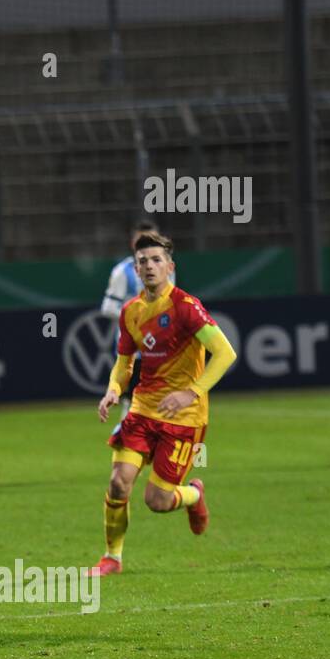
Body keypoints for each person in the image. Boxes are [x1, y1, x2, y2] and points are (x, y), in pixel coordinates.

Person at [91, 231, 237, 576]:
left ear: (170, 267)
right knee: (117, 482)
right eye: (143, 261)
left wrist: (192, 391)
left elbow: (225, 353)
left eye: (156, 260)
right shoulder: (131, 311)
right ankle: (112, 558)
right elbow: (124, 363)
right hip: (142, 410)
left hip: (183, 417)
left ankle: (194, 496)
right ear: (136, 270)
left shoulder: (186, 308)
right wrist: (113, 389)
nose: (149, 266)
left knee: (157, 502)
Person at [100, 221, 172, 423]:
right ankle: (127, 442)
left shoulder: (167, 268)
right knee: (133, 399)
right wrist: (137, 320)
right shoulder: (123, 272)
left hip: (163, 346)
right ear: (134, 244)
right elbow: (108, 307)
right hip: (135, 349)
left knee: (163, 398)